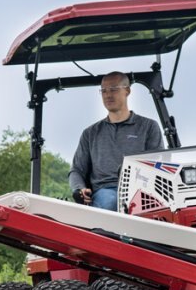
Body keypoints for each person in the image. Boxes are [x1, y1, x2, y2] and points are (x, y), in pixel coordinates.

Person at [69, 72, 164, 210]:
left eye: (113, 89)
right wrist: (79, 189)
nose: (108, 95)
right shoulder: (90, 133)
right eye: (104, 91)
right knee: (111, 201)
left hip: (140, 190)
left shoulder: (148, 127)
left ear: (127, 91)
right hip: (106, 190)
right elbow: (77, 170)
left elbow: (158, 167)